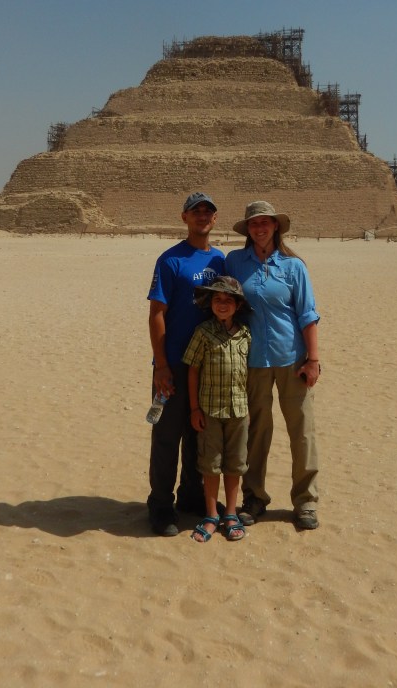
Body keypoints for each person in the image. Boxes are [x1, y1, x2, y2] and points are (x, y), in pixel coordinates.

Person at [225, 200, 321, 530]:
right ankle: (255, 497)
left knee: (302, 432)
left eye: (265, 222)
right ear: (247, 229)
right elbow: (225, 305)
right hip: (253, 361)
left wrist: (313, 359)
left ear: (276, 226)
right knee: (256, 433)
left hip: (292, 359)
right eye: (254, 224)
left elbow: (308, 315)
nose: (260, 228)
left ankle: (305, 500)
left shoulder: (295, 267)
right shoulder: (235, 262)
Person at [147, 193, 225, 536]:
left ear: (215, 219)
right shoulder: (170, 260)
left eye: (208, 211)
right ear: (184, 217)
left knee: (200, 435)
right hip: (174, 364)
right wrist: (161, 365)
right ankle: (161, 506)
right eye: (196, 211)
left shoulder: (221, 261)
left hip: (208, 365)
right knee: (166, 436)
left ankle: (192, 497)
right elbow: (156, 314)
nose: (202, 216)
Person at [183, 277, 252, 543]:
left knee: (235, 464)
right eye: (217, 300)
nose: (222, 305)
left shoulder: (245, 334)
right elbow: (193, 370)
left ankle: (231, 513)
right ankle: (211, 514)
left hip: (239, 411)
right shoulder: (203, 332)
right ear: (210, 304)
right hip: (210, 411)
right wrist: (194, 409)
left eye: (228, 300)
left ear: (237, 306)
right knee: (210, 465)